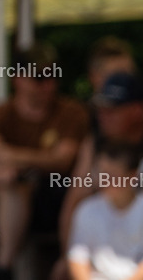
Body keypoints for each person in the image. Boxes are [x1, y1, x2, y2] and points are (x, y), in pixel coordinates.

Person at [0, 44, 89, 279]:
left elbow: (62, 161)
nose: (48, 84)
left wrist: (11, 159)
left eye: (52, 75)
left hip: (59, 198)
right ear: (18, 79)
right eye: (39, 77)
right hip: (7, 201)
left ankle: (1, 269)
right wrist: (23, 164)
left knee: (12, 181)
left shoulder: (72, 111)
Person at [60, 72, 143, 251]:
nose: (102, 116)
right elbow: (75, 200)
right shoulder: (95, 144)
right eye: (100, 109)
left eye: (112, 110)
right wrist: (69, 256)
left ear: (137, 110)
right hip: (105, 250)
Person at [67, 141, 143, 280]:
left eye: (112, 175)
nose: (104, 180)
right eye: (101, 174)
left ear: (132, 177)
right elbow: (78, 258)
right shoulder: (87, 209)